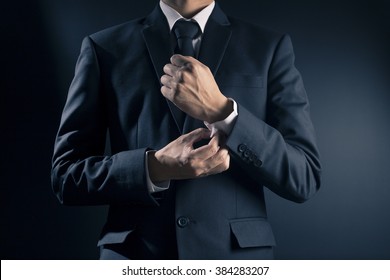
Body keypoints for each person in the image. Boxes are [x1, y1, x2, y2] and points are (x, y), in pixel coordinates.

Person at [51, 0, 321, 260]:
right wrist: (155, 168)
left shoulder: (269, 47)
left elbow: (303, 175)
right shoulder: (103, 47)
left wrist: (221, 111)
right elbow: (65, 177)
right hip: (135, 258)